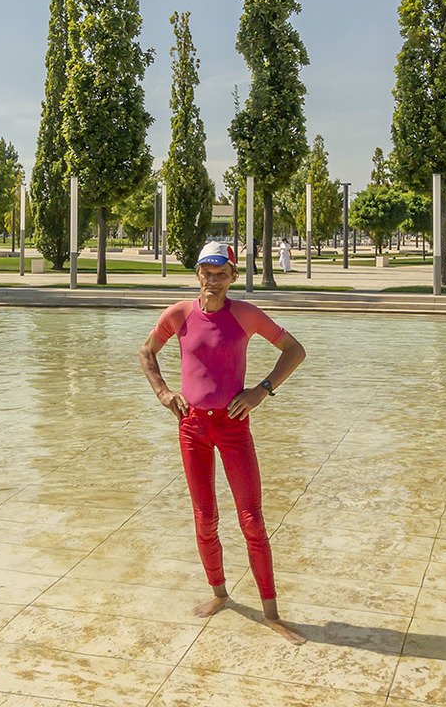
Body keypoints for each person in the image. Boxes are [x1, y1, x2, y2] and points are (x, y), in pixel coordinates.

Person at [138, 241, 307, 645]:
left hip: (233, 428)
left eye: (221, 274)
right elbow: (147, 352)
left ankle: (271, 612)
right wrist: (164, 394)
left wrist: (261, 391)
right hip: (193, 428)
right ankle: (220, 595)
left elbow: (294, 351)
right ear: (197, 274)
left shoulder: (245, 315)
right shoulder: (179, 314)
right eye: (206, 273)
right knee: (205, 518)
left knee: (252, 519)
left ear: (232, 277)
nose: (213, 281)